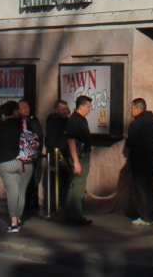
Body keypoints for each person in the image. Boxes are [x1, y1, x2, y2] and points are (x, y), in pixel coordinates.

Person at [0, 101, 31, 233]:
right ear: (15, 111)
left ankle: (13, 223)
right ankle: (18, 218)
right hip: (24, 161)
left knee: (12, 192)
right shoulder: (24, 124)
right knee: (21, 192)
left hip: (5, 162)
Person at [125, 98, 153, 225]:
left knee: (141, 190)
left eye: (132, 108)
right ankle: (150, 215)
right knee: (150, 189)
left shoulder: (136, 124)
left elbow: (130, 143)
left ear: (138, 109)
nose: (130, 111)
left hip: (139, 162)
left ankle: (144, 216)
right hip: (151, 161)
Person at [62, 94, 95, 225]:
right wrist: (76, 161)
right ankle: (75, 216)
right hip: (79, 156)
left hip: (81, 155)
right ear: (82, 107)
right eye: (88, 106)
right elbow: (71, 141)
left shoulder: (80, 119)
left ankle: (71, 214)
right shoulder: (76, 120)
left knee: (76, 184)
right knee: (78, 185)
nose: (90, 109)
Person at [44, 99, 72, 214]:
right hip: (56, 157)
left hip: (65, 156)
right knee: (56, 183)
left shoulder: (67, 121)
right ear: (57, 110)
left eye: (66, 109)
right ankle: (55, 207)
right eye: (62, 109)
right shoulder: (54, 121)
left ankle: (62, 205)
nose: (65, 112)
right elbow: (53, 140)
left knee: (65, 182)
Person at [18, 100, 44, 217]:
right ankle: (24, 205)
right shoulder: (17, 122)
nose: (26, 109)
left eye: (27, 107)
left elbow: (40, 135)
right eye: (23, 107)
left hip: (35, 156)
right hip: (22, 157)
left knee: (35, 179)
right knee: (24, 181)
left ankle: (33, 203)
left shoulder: (33, 120)